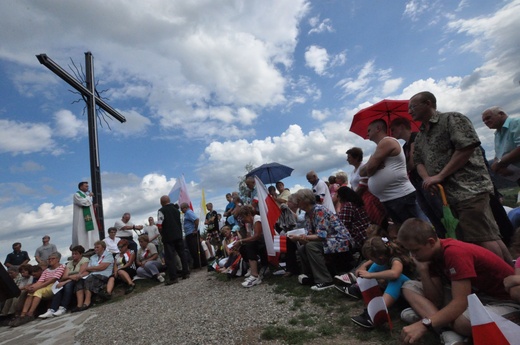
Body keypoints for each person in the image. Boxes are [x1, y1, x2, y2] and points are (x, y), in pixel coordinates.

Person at [410, 91, 511, 262]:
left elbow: (466, 147)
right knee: (483, 236)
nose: (409, 111)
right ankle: (507, 272)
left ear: (428, 103)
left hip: (469, 188)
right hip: (448, 196)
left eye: (413, 106)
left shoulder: (452, 119)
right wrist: (428, 178)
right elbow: (418, 161)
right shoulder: (420, 137)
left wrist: (440, 176)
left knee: (483, 237)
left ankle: (502, 278)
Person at [398, 218, 515, 344]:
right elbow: (435, 299)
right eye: (409, 251)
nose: (412, 256)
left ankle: (436, 322)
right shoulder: (430, 255)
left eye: (415, 250)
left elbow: (460, 302)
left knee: (462, 323)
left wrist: (424, 324)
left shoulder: (454, 253)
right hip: (476, 297)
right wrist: (423, 270)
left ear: (431, 242)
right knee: (409, 287)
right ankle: (444, 328)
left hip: (504, 300)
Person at [389, 118, 446, 236]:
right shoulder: (405, 146)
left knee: (439, 212)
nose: (392, 132)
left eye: (393, 129)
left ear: (401, 127)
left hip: (424, 180)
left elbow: (413, 162)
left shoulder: (415, 137)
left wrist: (404, 166)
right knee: (430, 213)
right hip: (416, 183)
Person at [288, 189, 352, 291]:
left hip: (340, 240)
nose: (297, 203)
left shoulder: (319, 210)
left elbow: (321, 235)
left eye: (298, 200)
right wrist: (303, 239)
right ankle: (312, 275)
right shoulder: (307, 214)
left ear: (306, 200)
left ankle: (325, 280)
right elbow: (310, 234)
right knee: (302, 248)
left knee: (311, 246)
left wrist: (300, 238)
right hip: (330, 239)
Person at [359, 119, 419, 224]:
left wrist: (372, 166)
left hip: (400, 196)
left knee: (415, 231)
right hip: (391, 198)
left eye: (369, 130)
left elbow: (369, 169)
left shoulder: (387, 142)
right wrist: (373, 166)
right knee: (406, 232)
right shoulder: (379, 147)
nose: (367, 133)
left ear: (378, 129)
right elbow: (361, 172)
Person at [348, 236, 414, 329]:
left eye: (372, 258)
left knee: (397, 278)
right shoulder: (386, 254)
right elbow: (375, 260)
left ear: (380, 256)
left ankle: (377, 313)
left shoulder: (396, 259)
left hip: (413, 292)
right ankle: (359, 287)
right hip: (403, 292)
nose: (370, 260)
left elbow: (395, 273)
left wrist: (370, 275)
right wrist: (364, 265)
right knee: (378, 265)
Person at [10, 252, 65, 327]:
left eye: (52, 258)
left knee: (38, 292)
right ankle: (23, 313)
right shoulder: (46, 270)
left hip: (54, 286)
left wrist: (38, 287)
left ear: (58, 259)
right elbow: (40, 281)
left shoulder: (61, 267)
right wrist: (32, 287)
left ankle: (30, 313)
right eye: (49, 259)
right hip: (44, 285)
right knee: (30, 292)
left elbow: (53, 279)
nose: (50, 260)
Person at [39, 245, 89, 318]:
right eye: (73, 254)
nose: (74, 255)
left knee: (67, 286)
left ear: (81, 254)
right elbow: (64, 276)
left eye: (76, 254)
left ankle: (63, 307)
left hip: (79, 279)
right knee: (58, 287)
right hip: (71, 279)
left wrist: (65, 281)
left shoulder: (84, 260)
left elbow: (80, 274)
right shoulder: (70, 263)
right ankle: (52, 309)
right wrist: (69, 278)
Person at [346, 147, 387, 226]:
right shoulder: (353, 171)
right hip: (360, 199)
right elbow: (353, 186)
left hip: (367, 197)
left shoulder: (362, 167)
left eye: (349, 157)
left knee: (376, 220)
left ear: (356, 157)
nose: (347, 159)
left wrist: (353, 197)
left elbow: (363, 185)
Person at [482, 106, 520, 183]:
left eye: (488, 118)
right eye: (484, 121)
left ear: (501, 114)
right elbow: (498, 154)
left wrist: (500, 163)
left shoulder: (516, 123)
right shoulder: (497, 133)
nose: (486, 122)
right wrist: (497, 167)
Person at [232, 205, 267, 288]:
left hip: (267, 242)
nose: (243, 220)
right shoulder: (249, 224)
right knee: (243, 247)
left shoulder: (257, 219)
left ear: (248, 214)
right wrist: (240, 243)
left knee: (249, 244)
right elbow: (249, 237)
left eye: (243, 217)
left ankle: (255, 275)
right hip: (260, 243)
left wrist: (241, 241)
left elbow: (257, 236)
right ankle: (254, 268)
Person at [157, 195, 190, 285]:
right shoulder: (176, 210)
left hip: (168, 237)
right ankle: (186, 272)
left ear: (161, 202)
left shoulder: (161, 211)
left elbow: (159, 225)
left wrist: (162, 234)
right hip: (178, 235)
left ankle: (173, 277)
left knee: (170, 257)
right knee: (182, 254)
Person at [73, 240, 114, 312]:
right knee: (80, 281)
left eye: (97, 247)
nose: (95, 249)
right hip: (93, 275)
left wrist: (90, 268)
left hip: (104, 275)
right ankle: (79, 305)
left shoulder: (108, 255)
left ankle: (87, 302)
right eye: (95, 247)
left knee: (89, 279)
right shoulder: (93, 257)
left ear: (103, 248)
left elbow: (102, 267)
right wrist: (81, 275)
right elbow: (89, 270)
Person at [336, 186, 369, 250]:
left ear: (341, 196)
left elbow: (342, 226)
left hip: (358, 238)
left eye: (338, 196)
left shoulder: (347, 206)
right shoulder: (356, 203)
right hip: (365, 234)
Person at [72, 181, 99, 250]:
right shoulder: (77, 195)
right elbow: (83, 203)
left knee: (90, 232)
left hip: (88, 218)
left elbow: (88, 204)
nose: (87, 187)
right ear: (81, 187)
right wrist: (89, 196)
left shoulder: (86, 196)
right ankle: (83, 248)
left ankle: (92, 246)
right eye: (86, 186)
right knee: (82, 232)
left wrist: (93, 206)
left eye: (88, 186)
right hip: (81, 219)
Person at [181, 202, 207, 269]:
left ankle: (200, 262)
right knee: (193, 249)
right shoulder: (187, 213)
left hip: (192, 233)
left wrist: (195, 229)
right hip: (189, 233)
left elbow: (196, 220)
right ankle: (198, 262)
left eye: (182, 209)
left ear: (185, 207)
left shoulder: (189, 212)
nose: (181, 210)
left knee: (195, 248)